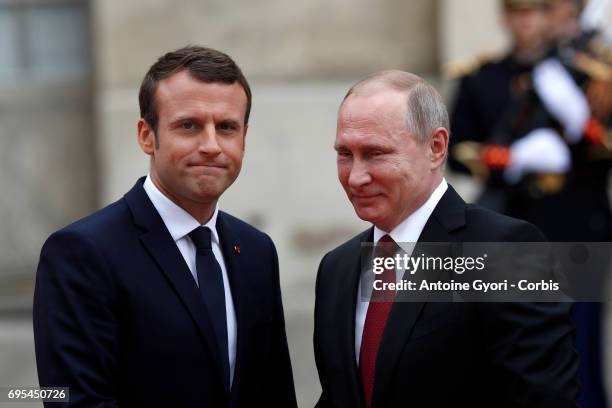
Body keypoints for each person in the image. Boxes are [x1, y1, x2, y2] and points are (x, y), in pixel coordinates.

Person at [33, 46, 297, 407]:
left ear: (244, 137)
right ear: (146, 136)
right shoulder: (82, 253)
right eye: (189, 126)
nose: (211, 146)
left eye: (226, 128)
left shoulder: (256, 250)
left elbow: (273, 394)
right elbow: (74, 400)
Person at [313, 70, 579, 407]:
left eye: (375, 153)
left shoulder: (504, 251)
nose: (356, 177)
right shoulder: (338, 267)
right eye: (345, 154)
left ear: (436, 147)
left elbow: (543, 398)